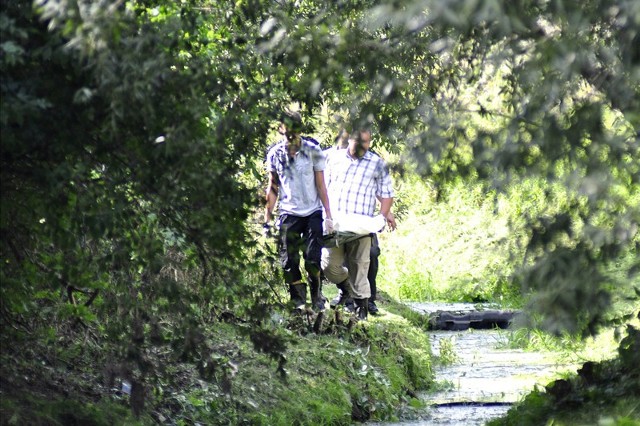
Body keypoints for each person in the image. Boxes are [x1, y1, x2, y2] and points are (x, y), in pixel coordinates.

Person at [321, 129, 396, 320]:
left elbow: (386, 194)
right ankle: (346, 288)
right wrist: (325, 215)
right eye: (359, 141)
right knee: (330, 267)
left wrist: (382, 216)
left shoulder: (377, 164)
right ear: (350, 140)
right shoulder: (332, 159)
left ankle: (362, 309)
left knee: (361, 265)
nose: (363, 146)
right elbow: (322, 188)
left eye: (366, 142)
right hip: (335, 225)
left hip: (362, 226)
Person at [264, 110, 333, 312]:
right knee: (289, 260)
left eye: (294, 130)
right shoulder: (275, 154)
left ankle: (316, 296)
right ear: (281, 130)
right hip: (289, 212)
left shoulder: (313, 151)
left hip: (312, 211)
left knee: (312, 258)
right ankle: (298, 299)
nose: (291, 135)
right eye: (287, 131)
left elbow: (321, 186)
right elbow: (273, 187)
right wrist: (267, 218)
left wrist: (329, 216)